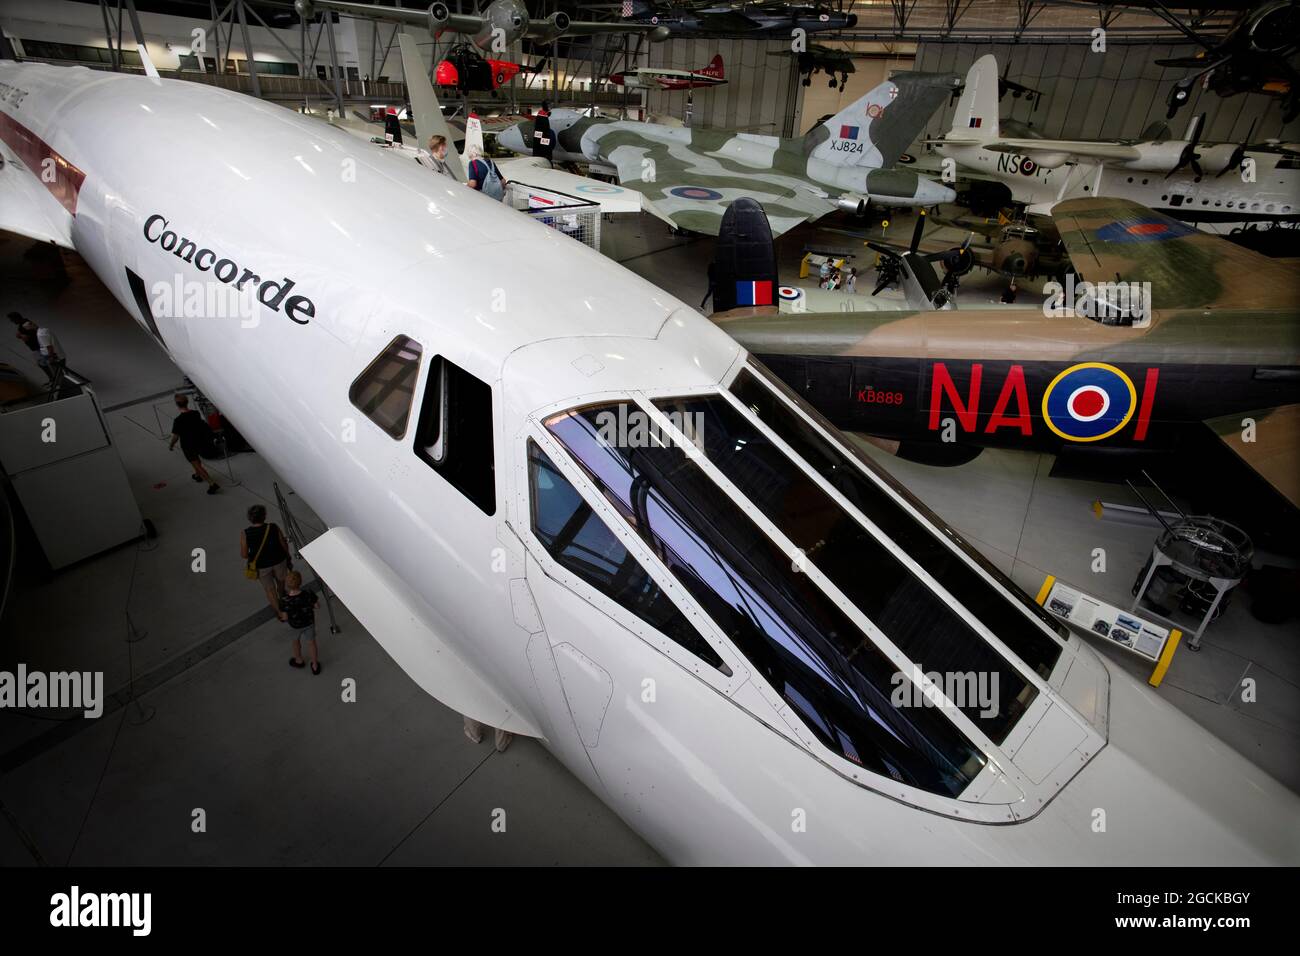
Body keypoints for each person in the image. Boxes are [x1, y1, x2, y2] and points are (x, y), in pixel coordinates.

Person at [241, 504, 291, 620]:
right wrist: (288, 557)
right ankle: (282, 595)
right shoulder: (273, 527)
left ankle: (280, 613)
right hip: (279, 560)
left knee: (269, 589)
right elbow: (283, 544)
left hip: (261, 566)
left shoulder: (245, 533)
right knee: (281, 580)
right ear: (264, 516)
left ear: (250, 518)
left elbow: (243, 554)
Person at [168, 394, 220, 495]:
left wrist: (171, 445)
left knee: (196, 463)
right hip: (199, 441)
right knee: (196, 461)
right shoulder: (195, 413)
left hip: (188, 445)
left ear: (177, 405)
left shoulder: (178, 420)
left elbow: (176, 437)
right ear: (187, 402)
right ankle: (197, 475)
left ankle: (212, 483)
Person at [281, 571, 322, 675]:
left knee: (295, 642)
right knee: (311, 643)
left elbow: (285, 617)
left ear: (287, 584)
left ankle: (298, 660)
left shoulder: (285, 600)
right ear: (300, 581)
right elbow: (317, 606)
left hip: (295, 626)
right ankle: (315, 665)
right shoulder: (308, 593)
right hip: (309, 623)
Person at [532, 100, 554, 165]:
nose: (550, 108)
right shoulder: (543, 116)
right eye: (549, 106)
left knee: (538, 143)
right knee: (543, 144)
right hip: (543, 136)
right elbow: (544, 131)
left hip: (539, 136)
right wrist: (548, 156)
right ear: (546, 106)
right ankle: (545, 157)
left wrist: (547, 114)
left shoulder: (541, 114)